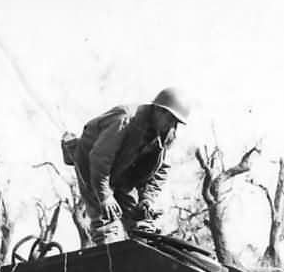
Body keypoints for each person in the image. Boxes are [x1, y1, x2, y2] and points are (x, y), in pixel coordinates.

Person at [61, 87, 191, 245]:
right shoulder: (125, 118)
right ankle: (111, 262)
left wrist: (147, 199)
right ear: (158, 110)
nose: (171, 126)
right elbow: (99, 157)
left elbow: (161, 169)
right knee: (107, 225)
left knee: (141, 225)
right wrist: (105, 196)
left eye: (175, 122)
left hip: (123, 174)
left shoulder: (168, 133)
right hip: (92, 166)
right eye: (170, 119)